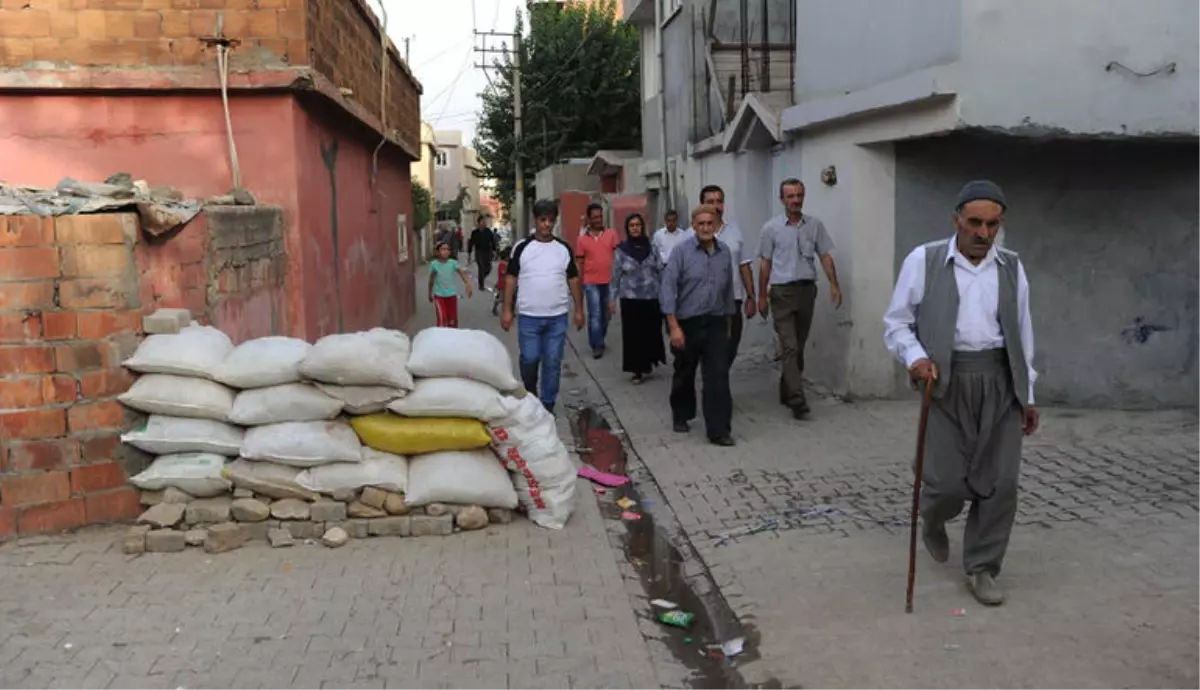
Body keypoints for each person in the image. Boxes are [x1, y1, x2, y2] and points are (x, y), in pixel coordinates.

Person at [883, 180, 1039, 607]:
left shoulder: (1011, 266)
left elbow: (1022, 333)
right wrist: (915, 357)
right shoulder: (925, 260)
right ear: (956, 220)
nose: (983, 232)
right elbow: (896, 323)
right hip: (945, 380)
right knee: (947, 482)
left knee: (1001, 483)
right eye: (974, 222)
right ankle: (932, 517)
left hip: (1000, 380)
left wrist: (1028, 394)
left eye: (992, 224)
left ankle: (983, 566)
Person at [757, 178, 843, 420]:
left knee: (798, 347)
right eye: (790, 196)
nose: (795, 200)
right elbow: (765, 263)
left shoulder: (814, 225)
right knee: (790, 346)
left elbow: (825, 256)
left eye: (799, 195)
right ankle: (797, 399)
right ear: (782, 199)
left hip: (806, 291)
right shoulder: (771, 228)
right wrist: (762, 295)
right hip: (782, 293)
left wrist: (834, 284)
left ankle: (787, 388)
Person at [660, 205, 736, 447]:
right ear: (693, 226)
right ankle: (681, 414)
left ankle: (719, 430)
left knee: (718, 376)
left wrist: (728, 323)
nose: (705, 228)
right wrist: (673, 326)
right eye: (700, 223)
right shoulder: (681, 252)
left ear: (716, 225)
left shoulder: (724, 252)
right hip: (686, 322)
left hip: (715, 321)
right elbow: (668, 289)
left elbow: (728, 290)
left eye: (709, 223)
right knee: (685, 371)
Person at [501, 199, 585, 415]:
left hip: (557, 316)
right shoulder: (522, 248)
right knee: (529, 358)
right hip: (529, 316)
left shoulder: (563, 249)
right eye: (542, 220)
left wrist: (579, 310)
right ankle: (530, 395)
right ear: (535, 220)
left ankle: (547, 405)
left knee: (553, 362)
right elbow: (511, 278)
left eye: (551, 220)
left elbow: (574, 280)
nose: (547, 224)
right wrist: (507, 310)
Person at [698, 185, 757, 366]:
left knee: (730, 348)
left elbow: (744, 265)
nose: (716, 206)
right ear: (702, 205)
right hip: (702, 303)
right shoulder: (691, 235)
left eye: (719, 201)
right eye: (710, 202)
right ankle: (715, 391)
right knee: (710, 351)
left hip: (732, 301)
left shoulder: (735, 232)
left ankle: (717, 386)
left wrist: (751, 296)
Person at [608, 213, 667, 384]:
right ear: (627, 228)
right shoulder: (621, 250)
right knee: (633, 335)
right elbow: (615, 276)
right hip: (630, 298)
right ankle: (637, 370)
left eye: (638, 225)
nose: (635, 228)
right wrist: (612, 300)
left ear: (642, 227)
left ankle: (648, 362)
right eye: (631, 225)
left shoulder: (652, 247)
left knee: (650, 332)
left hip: (651, 297)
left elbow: (661, 270)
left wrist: (667, 293)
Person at [574, 203, 620, 359]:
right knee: (595, 314)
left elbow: (618, 258)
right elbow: (579, 263)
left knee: (606, 315)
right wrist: (579, 283)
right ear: (589, 219)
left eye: (600, 216)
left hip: (609, 281)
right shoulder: (582, 239)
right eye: (595, 217)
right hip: (590, 281)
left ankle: (600, 337)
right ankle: (597, 345)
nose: (598, 220)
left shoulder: (611, 234)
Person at [428, 241, 473, 327]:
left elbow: (461, 273)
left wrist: (468, 284)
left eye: (447, 249)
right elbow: (431, 280)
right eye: (443, 249)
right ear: (437, 252)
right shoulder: (434, 265)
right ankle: (441, 338)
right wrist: (429, 293)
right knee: (442, 319)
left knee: (452, 321)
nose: (445, 251)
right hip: (439, 296)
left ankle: (452, 338)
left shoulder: (452, 263)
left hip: (451, 295)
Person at [468, 214, 497, 291]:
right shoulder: (475, 232)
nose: (484, 222)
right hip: (479, 251)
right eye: (483, 221)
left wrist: (494, 250)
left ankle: (482, 278)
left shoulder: (488, 231)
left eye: (485, 221)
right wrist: (469, 254)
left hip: (487, 251)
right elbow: (471, 243)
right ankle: (481, 285)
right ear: (479, 222)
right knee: (481, 267)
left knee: (488, 268)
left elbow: (493, 241)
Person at [492, 246, 511, 316]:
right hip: (502, 284)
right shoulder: (502, 264)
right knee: (502, 299)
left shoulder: (506, 264)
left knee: (506, 298)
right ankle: (495, 306)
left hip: (506, 283)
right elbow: (503, 273)